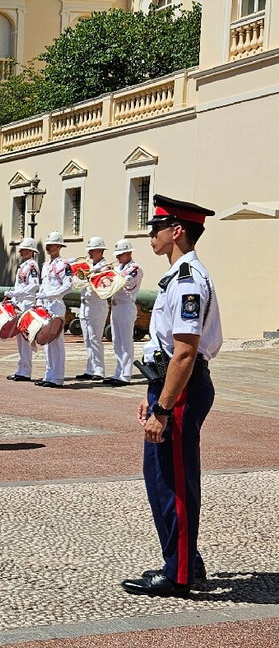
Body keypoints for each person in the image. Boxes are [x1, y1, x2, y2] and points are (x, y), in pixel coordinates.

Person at [121, 196, 223, 596]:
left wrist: (164, 406)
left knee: (173, 481)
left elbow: (184, 351)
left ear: (177, 231)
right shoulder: (178, 276)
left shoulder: (186, 282)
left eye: (157, 227)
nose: (151, 234)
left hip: (181, 390)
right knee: (161, 476)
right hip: (170, 385)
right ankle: (183, 557)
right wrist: (155, 392)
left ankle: (179, 573)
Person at [34, 232, 72, 388]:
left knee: (56, 341)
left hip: (56, 304)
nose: (49, 248)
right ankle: (49, 375)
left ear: (59, 246)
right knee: (47, 341)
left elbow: (68, 286)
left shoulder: (64, 264)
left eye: (52, 245)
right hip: (45, 305)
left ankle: (57, 377)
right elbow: (44, 285)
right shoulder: (45, 265)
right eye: (47, 245)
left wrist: (50, 294)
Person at [103, 239, 142, 386]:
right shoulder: (118, 268)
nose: (118, 257)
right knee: (116, 342)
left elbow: (121, 282)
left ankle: (125, 375)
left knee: (125, 342)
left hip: (126, 305)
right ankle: (118, 372)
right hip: (115, 306)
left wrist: (107, 275)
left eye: (121, 254)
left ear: (128, 253)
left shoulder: (134, 268)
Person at [5, 237, 41, 382]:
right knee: (21, 339)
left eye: (25, 249)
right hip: (20, 303)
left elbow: (33, 286)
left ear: (31, 251)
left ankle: (25, 371)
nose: (21, 251)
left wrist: (17, 294)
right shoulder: (24, 265)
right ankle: (22, 368)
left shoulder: (31, 266)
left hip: (26, 303)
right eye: (21, 249)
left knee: (26, 339)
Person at [76, 235, 109, 381]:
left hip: (96, 304)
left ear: (101, 251)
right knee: (87, 339)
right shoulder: (88, 266)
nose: (90, 253)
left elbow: (105, 286)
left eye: (93, 250)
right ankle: (90, 368)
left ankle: (99, 370)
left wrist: (92, 276)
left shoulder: (105, 267)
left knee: (95, 338)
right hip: (85, 304)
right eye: (90, 250)